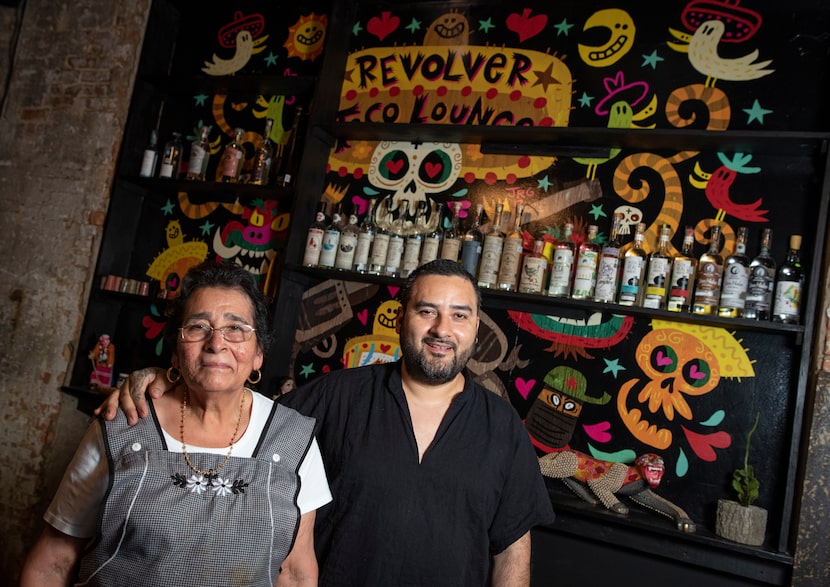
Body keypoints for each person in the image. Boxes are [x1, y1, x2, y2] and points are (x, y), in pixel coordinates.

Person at [97, 259, 555, 586]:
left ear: (475, 327)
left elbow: (512, 553)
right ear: (401, 318)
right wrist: (166, 378)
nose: (442, 329)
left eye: (460, 315)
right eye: (427, 311)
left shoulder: (503, 427)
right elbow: (236, 407)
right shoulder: (337, 396)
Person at [22, 261, 331, 586]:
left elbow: (295, 573)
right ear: (175, 351)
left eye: (236, 328)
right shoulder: (123, 423)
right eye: (198, 327)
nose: (216, 343)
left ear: (258, 355)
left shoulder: (293, 440)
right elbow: (54, 563)